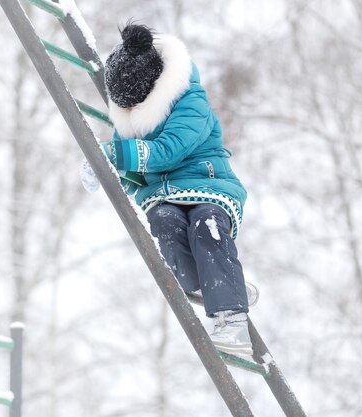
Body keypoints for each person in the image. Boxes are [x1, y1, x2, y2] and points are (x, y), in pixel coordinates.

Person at [81, 23, 253, 356]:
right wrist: (104, 169)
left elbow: (168, 150)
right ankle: (203, 283)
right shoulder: (130, 119)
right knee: (164, 223)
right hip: (163, 197)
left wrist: (114, 154)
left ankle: (232, 319)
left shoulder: (190, 102)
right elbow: (129, 166)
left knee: (206, 226)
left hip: (208, 187)